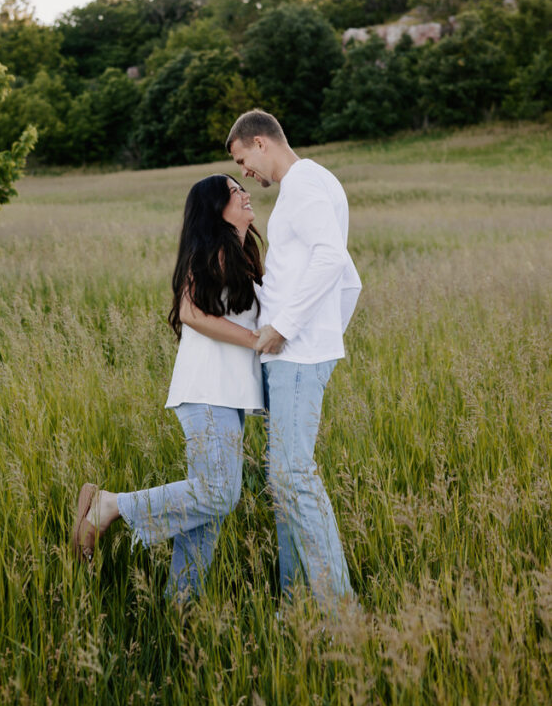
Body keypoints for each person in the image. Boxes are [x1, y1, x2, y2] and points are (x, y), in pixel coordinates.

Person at [72, 174, 267, 600]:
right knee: (218, 495)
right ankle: (110, 505)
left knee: (206, 509)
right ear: (216, 209)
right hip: (207, 392)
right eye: (235, 192)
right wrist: (256, 340)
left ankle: (181, 604)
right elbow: (191, 312)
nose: (246, 194)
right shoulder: (214, 251)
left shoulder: (239, 254)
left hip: (225, 397)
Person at [226, 109, 362, 608]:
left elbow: (332, 258)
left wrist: (288, 329)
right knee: (284, 481)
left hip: (298, 357)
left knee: (292, 478)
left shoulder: (303, 184)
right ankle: (295, 605)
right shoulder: (313, 182)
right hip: (301, 355)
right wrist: (323, 334)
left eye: (243, 160)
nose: (245, 173)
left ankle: (340, 611)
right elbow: (351, 279)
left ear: (261, 142)